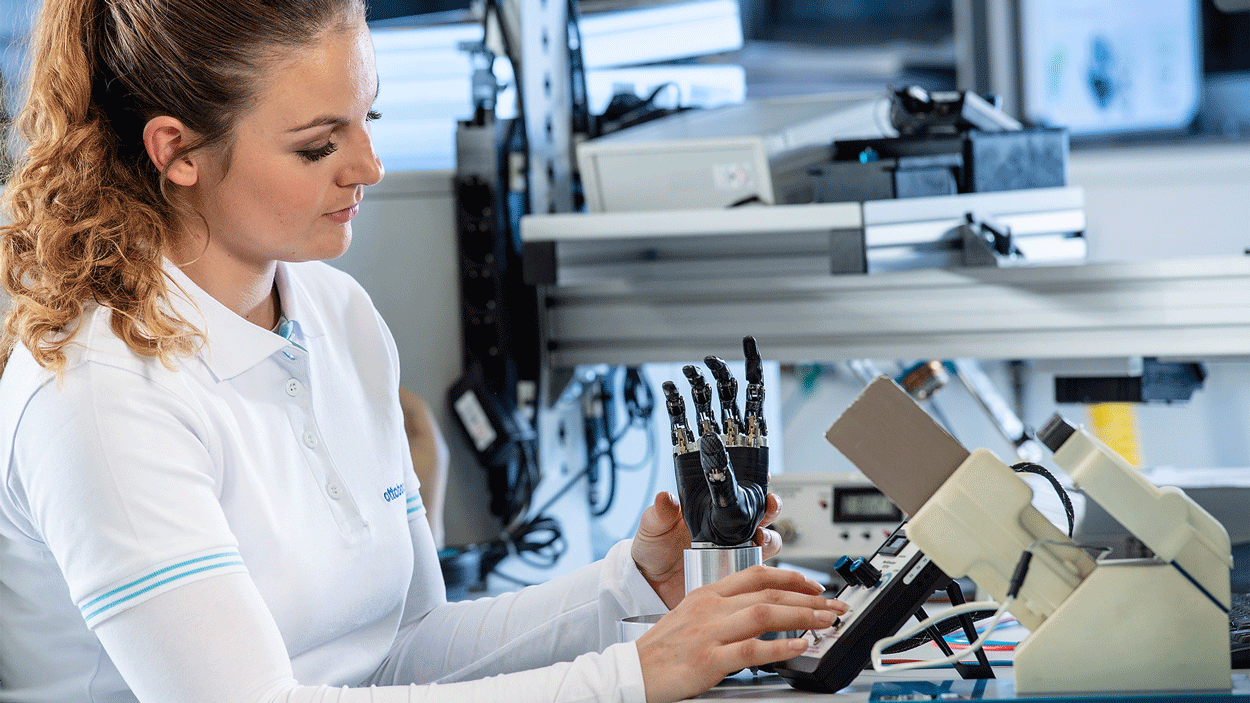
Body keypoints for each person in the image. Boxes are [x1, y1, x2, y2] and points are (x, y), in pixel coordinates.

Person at [0, 0, 846, 701]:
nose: (367, 164)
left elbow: (402, 649)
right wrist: (633, 674)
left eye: (369, 118)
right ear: (176, 150)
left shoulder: (339, 315)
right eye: (317, 144)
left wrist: (627, 587)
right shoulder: (100, 395)